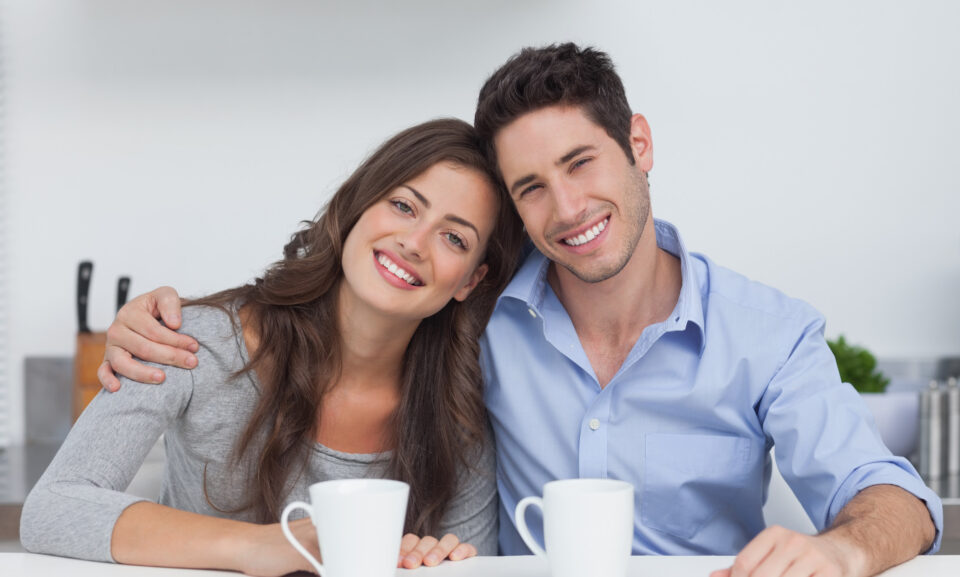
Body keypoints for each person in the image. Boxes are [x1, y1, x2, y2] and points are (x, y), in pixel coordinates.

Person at [97, 44, 942, 577]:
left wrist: (844, 548)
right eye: (531, 187)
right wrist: (172, 317)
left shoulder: (767, 332)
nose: (567, 207)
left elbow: (888, 493)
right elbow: (350, 290)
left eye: (582, 163)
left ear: (638, 146)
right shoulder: (470, 315)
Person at [20, 118, 524, 576]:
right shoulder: (191, 341)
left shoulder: (459, 418)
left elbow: (471, 564)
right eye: (403, 205)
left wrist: (442, 563)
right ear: (355, 206)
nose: (415, 242)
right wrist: (260, 546)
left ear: (470, 281)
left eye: (454, 238)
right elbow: (53, 508)